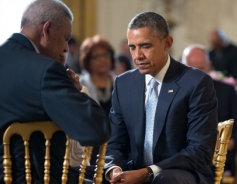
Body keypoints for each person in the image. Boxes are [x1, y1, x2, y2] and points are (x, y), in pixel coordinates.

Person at [0, 0, 110, 183]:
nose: (67, 48)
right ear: (47, 29)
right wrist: (78, 93)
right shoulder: (46, 70)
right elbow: (96, 129)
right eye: (66, 38)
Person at [104, 12, 218, 184]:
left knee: (162, 179)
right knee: (82, 174)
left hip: (183, 172)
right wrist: (114, 170)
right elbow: (115, 144)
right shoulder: (123, 83)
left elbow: (199, 150)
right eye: (132, 47)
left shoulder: (197, 83)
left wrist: (147, 172)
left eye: (145, 46)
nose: (137, 56)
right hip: (134, 170)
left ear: (167, 43)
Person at [181, 44, 237, 177]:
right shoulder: (174, 92)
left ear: (209, 65)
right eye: (189, 68)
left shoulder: (226, 91)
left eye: (199, 69)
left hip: (217, 158)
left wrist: (224, 145)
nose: (194, 74)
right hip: (183, 156)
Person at [79, 34, 116, 115]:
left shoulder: (120, 83)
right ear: (87, 60)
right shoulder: (80, 85)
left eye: (106, 55)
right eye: (97, 56)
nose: (102, 59)